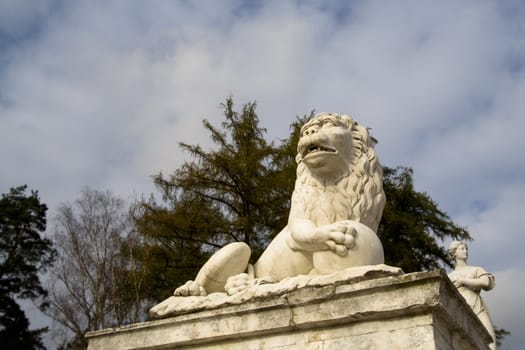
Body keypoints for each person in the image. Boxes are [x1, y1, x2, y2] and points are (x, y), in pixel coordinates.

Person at [448, 241, 496, 349]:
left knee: (489, 341)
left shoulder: (476, 269)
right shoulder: (450, 277)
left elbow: (486, 282)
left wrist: (463, 281)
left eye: (466, 249)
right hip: (459, 310)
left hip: (477, 307)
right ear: (454, 253)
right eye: (462, 248)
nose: (466, 251)